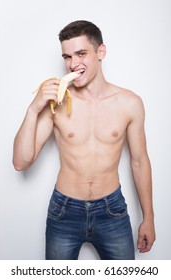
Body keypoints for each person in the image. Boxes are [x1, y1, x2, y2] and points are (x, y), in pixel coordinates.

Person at [13, 20, 155, 260]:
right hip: (64, 212)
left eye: (81, 54)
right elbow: (20, 162)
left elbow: (139, 161)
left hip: (112, 211)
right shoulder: (55, 103)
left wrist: (148, 218)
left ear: (101, 52)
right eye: (67, 57)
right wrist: (33, 110)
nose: (73, 64)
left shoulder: (130, 103)